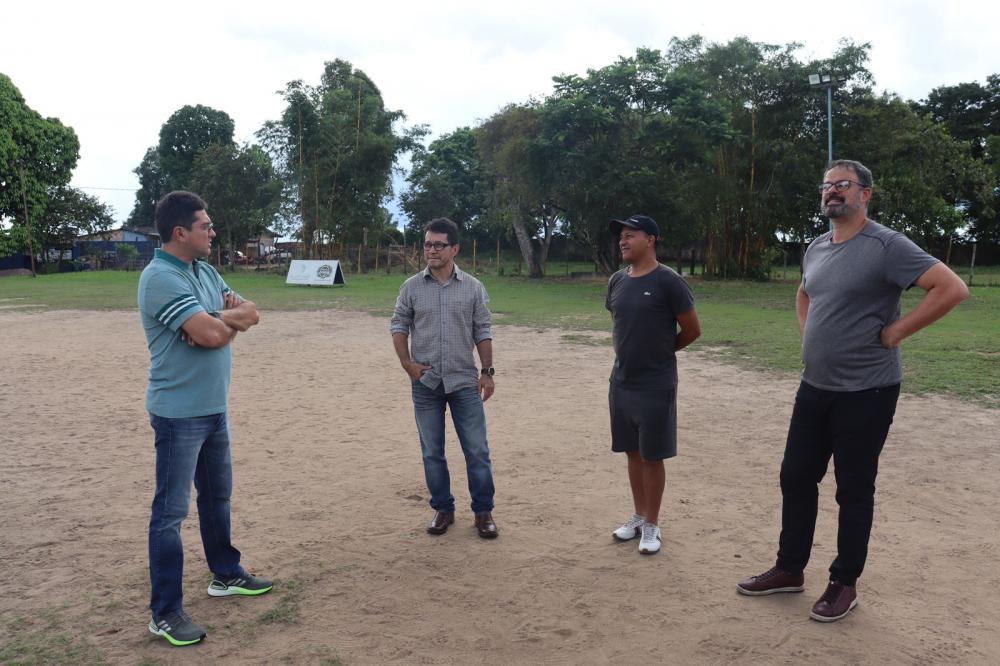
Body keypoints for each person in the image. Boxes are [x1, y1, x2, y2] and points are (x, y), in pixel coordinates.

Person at [736, 160, 970, 622]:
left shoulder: (886, 246)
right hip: (815, 386)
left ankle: (844, 582)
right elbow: (805, 293)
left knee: (853, 488)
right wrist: (808, 335)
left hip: (868, 390)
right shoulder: (817, 247)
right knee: (796, 476)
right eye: (827, 186)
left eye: (843, 185)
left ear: (866, 194)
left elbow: (951, 288)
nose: (832, 193)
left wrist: (896, 332)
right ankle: (789, 569)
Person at [139, 191, 272, 646]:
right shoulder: (159, 278)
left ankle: (226, 574)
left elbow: (247, 314)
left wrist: (215, 322)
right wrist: (219, 325)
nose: (212, 233)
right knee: (170, 514)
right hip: (178, 415)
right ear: (180, 233)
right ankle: (165, 613)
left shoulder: (206, 271)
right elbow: (220, 331)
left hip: (214, 409)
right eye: (205, 227)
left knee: (217, 498)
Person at [390, 217, 499, 539]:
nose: (431, 250)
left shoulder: (473, 288)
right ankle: (443, 509)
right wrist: (407, 364)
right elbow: (398, 326)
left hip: (464, 381)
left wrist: (487, 372)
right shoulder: (411, 287)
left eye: (438, 245)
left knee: (477, 450)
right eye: (427, 244)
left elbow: (483, 331)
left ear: (454, 249)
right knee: (432, 451)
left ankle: (483, 512)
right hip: (426, 383)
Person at [606, 214, 701, 555]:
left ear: (651, 240)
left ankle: (652, 524)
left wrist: (662, 353)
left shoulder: (669, 282)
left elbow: (692, 330)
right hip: (621, 381)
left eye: (631, 235)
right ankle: (638, 514)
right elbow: (621, 324)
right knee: (631, 452)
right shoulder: (617, 280)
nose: (623, 241)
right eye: (622, 237)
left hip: (655, 383)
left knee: (652, 455)